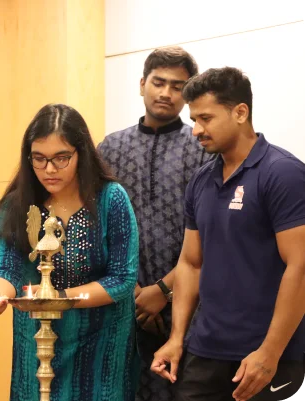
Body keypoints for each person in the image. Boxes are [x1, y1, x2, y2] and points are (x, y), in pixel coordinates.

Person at [151, 67, 305, 401]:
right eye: (194, 119)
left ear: (240, 112)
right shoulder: (201, 181)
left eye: (205, 118)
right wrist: (176, 338)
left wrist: (270, 351)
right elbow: (191, 263)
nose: (196, 130)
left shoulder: (284, 173)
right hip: (205, 351)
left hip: (271, 357)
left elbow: (300, 267)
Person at [0, 104, 140, 401]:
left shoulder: (110, 199)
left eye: (61, 158)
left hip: (101, 342)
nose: (49, 169)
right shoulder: (17, 204)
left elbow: (123, 279)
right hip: (37, 339)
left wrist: (60, 298)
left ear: (82, 153)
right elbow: (7, 268)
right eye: (39, 159)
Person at [98, 46, 212, 401]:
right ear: (141, 84)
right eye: (158, 83)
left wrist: (163, 292)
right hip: (121, 304)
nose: (166, 93)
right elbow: (97, 225)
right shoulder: (109, 149)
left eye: (178, 86)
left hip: (189, 306)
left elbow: (212, 234)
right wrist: (133, 292)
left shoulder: (202, 148)